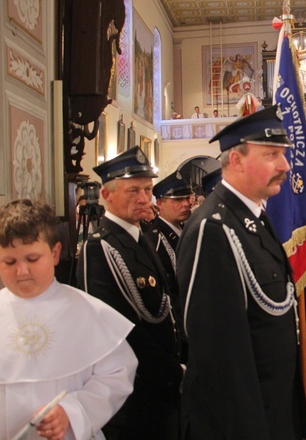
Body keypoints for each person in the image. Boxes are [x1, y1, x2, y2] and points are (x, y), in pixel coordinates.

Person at [0, 199, 137, 439]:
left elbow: (117, 374)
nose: (22, 271)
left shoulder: (89, 313)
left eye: (32, 259)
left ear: (54, 253)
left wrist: (74, 412)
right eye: (9, 262)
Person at [175, 106, 306, 439]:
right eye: (271, 155)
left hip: (273, 404)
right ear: (235, 160)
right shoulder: (213, 228)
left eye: (283, 155)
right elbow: (216, 356)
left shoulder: (251, 217)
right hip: (243, 420)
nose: (284, 165)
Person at [78, 147, 182, 439]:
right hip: (133, 395)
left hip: (162, 390)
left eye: (147, 189)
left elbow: (166, 307)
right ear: (107, 195)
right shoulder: (100, 247)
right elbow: (117, 330)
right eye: (133, 190)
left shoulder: (142, 236)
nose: (143, 199)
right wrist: (174, 372)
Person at [145, 171, 193, 307]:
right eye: (177, 200)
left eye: (186, 198)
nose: (185, 204)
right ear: (159, 203)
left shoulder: (186, 229)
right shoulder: (155, 239)